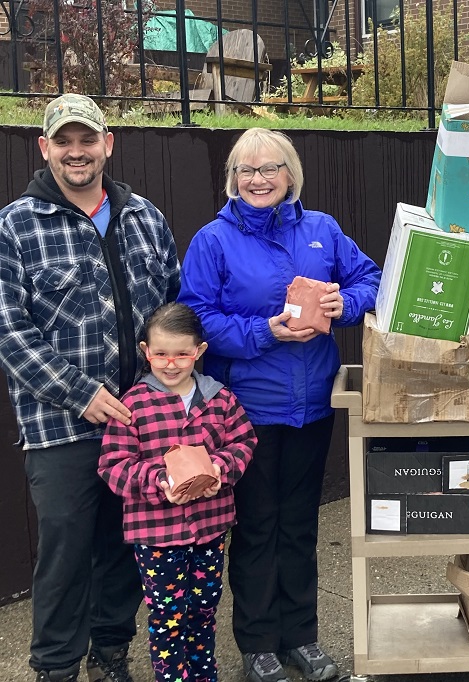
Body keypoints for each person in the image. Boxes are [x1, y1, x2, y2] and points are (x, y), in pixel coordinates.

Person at [177, 128, 381, 682]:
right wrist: (264, 332)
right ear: (232, 179)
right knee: (256, 526)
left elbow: (372, 279)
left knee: (299, 526)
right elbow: (197, 321)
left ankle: (303, 638)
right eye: (246, 170)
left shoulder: (322, 229)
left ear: (290, 175)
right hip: (245, 413)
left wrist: (346, 303)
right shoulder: (212, 241)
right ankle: (258, 643)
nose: (258, 179)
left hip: (312, 405)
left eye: (269, 169)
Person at [0, 94, 181, 682]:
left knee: (128, 546)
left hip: (141, 422)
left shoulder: (145, 217)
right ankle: (55, 668)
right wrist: (81, 393)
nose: (76, 152)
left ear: (108, 143)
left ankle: (111, 653)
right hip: (61, 427)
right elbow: (10, 330)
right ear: (45, 147)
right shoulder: (16, 225)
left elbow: (173, 311)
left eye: (88, 139)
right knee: (66, 555)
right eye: (64, 141)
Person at [98, 302, 257, 682]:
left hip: (210, 527)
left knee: (204, 608)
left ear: (199, 352)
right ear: (145, 351)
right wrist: (158, 482)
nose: (171, 364)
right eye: (161, 354)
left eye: (182, 354)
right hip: (157, 535)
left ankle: (204, 675)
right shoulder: (132, 405)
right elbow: (112, 464)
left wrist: (221, 467)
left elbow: (244, 441)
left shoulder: (220, 399)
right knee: (167, 618)